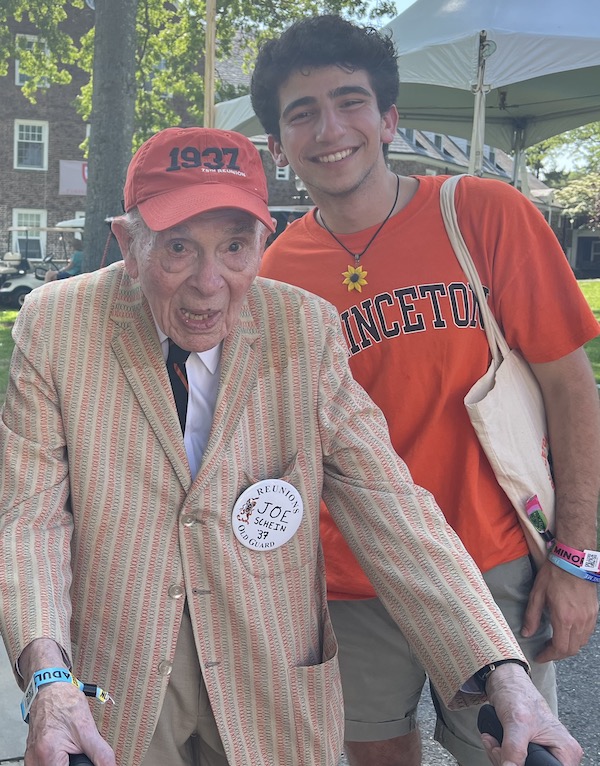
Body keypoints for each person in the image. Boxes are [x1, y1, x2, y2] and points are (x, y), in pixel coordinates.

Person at [0, 126, 583, 766]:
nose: (208, 281)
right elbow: (30, 519)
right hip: (121, 676)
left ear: (262, 242)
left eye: (234, 247)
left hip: (267, 672)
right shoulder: (56, 324)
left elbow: (390, 506)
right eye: (177, 248)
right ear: (128, 246)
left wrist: (501, 669)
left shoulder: (304, 329)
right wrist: (49, 681)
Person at [253, 15, 600, 766]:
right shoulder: (272, 277)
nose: (330, 128)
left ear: (388, 118)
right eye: (301, 112)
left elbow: (573, 391)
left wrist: (578, 561)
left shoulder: (483, 213)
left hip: (493, 561)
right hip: (349, 582)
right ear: (278, 147)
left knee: (515, 751)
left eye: (350, 101)